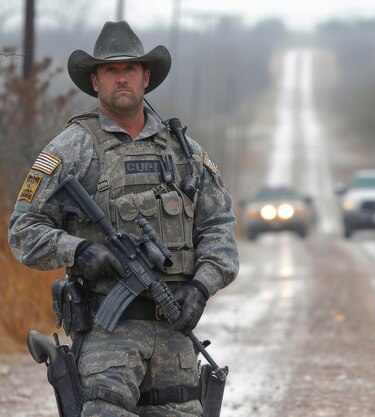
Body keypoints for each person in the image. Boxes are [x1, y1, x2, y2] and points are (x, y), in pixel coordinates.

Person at [8, 21, 238, 416]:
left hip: (174, 337)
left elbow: (219, 230)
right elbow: (23, 231)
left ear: (146, 77)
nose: (121, 78)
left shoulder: (184, 152)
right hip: (106, 339)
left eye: (130, 68)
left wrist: (200, 289)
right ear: (95, 81)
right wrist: (79, 251)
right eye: (111, 70)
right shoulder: (72, 148)